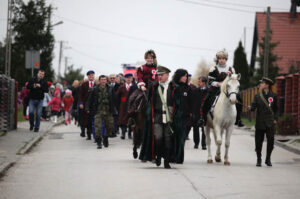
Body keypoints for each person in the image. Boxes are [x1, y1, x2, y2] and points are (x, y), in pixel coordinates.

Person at [248, 77, 278, 167]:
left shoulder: (274, 96)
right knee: (258, 141)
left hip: (270, 122)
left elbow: (276, 109)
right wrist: (250, 108)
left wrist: (275, 119)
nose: (260, 84)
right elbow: (253, 107)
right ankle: (259, 159)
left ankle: (268, 159)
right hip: (260, 121)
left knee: (270, 141)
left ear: (267, 85)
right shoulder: (257, 96)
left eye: (262, 83)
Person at [201, 50, 235, 125]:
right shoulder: (213, 68)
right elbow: (210, 81)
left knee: (239, 98)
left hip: (228, 90)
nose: (221, 60)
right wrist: (218, 84)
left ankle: (238, 119)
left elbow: (233, 80)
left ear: (226, 59)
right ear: (217, 59)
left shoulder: (231, 69)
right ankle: (203, 118)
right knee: (207, 100)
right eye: (220, 58)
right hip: (216, 89)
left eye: (223, 58)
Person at [87, 75, 117, 149]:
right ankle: (99, 142)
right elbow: (89, 99)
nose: (103, 81)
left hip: (108, 110)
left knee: (110, 127)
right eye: (102, 80)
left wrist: (115, 108)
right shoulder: (95, 89)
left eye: (105, 79)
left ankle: (106, 137)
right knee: (98, 127)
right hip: (98, 110)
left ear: (107, 81)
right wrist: (87, 107)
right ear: (99, 81)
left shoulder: (110, 88)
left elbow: (114, 99)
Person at [115, 73, 138, 139]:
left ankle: (130, 133)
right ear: (125, 79)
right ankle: (123, 133)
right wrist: (119, 104)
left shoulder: (135, 86)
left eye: (130, 77)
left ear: (132, 78)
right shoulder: (121, 87)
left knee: (131, 119)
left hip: (132, 106)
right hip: (123, 105)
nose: (128, 79)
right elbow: (117, 96)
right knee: (123, 119)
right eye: (127, 78)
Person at [191, 76, 208, 149]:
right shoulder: (195, 91)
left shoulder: (208, 91)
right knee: (195, 128)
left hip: (205, 112)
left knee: (204, 129)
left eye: (199, 81)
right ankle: (196, 143)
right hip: (196, 112)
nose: (198, 83)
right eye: (198, 81)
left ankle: (204, 144)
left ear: (204, 83)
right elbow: (192, 101)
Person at [78, 70, 95, 139]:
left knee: (93, 120)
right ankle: (88, 134)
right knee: (87, 120)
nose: (91, 76)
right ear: (88, 76)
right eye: (90, 75)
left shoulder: (96, 84)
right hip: (86, 105)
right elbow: (80, 95)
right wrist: (81, 103)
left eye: (92, 75)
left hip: (94, 105)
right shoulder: (84, 84)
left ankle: (94, 134)